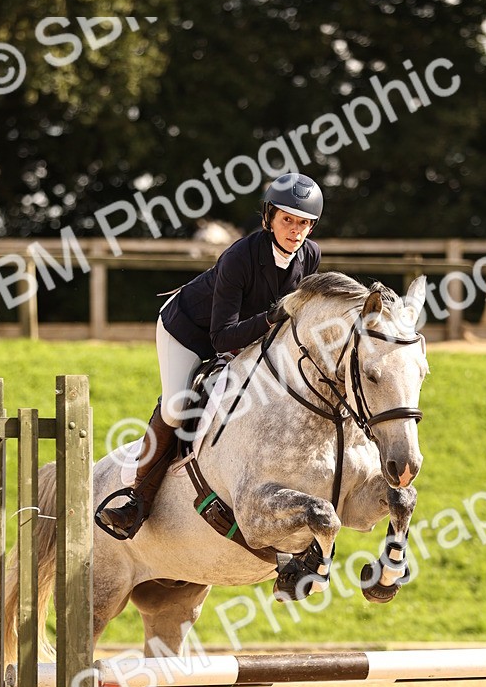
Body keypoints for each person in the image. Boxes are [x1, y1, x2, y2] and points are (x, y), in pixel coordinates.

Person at [97, 172, 324, 538]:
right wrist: (269, 319)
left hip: (246, 337)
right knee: (177, 406)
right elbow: (220, 338)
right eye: (287, 220)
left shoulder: (309, 256)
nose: (295, 231)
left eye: (303, 223)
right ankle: (136, 499)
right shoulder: (240, 257)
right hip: (189, 330)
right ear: (269, 217)